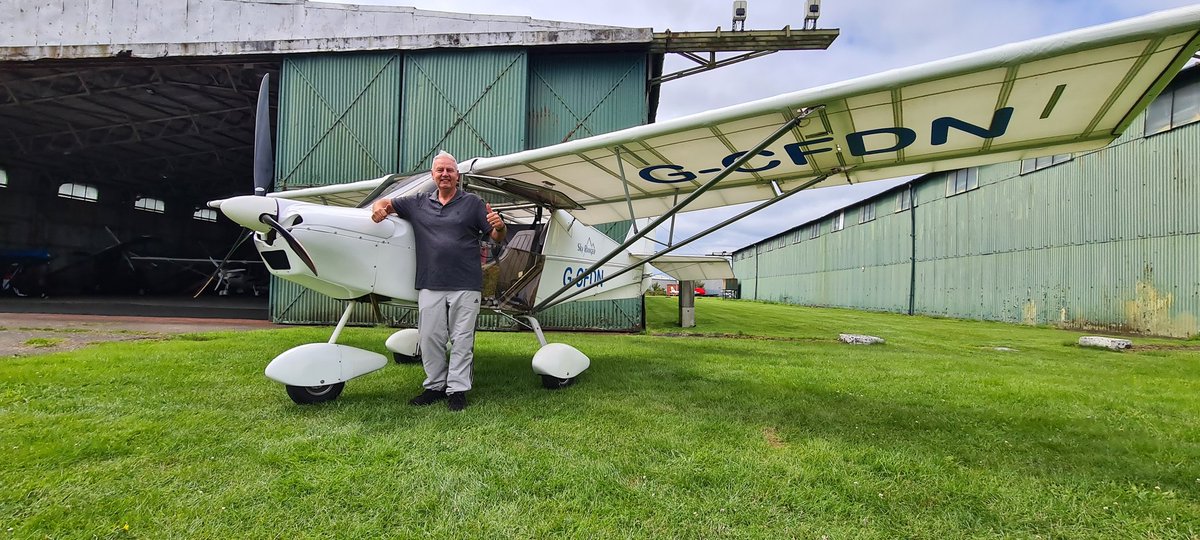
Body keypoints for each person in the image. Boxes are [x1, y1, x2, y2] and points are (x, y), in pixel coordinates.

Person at [370, 151, 506, 411]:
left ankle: (457, 390)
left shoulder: (474, 203)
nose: (445, 174)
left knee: (462, 339)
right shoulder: (417, 203)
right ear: (433, 175)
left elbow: (497, 236)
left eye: (450, 171)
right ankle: (434, 386)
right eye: (440, 170)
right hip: (430, 283)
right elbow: (385, 203)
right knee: (430, 337)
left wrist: (499, 226)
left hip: (466, 283)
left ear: (457, 176)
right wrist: (378, 211)